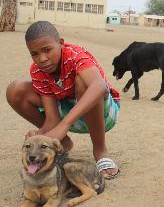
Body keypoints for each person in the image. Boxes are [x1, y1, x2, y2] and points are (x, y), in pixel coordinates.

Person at [6, 21, 121, 179]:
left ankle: (100, 151)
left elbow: (99, 86)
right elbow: (52, 118)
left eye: (47, 50)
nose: (42, 58)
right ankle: (62, 143)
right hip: (69, 115)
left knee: (84, 83)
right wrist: (41, 134)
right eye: (35, 54)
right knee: (15, 90)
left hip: (103, 114)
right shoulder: (38, 70)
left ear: (60, 43)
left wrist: (64, 125)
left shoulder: (75, 56)